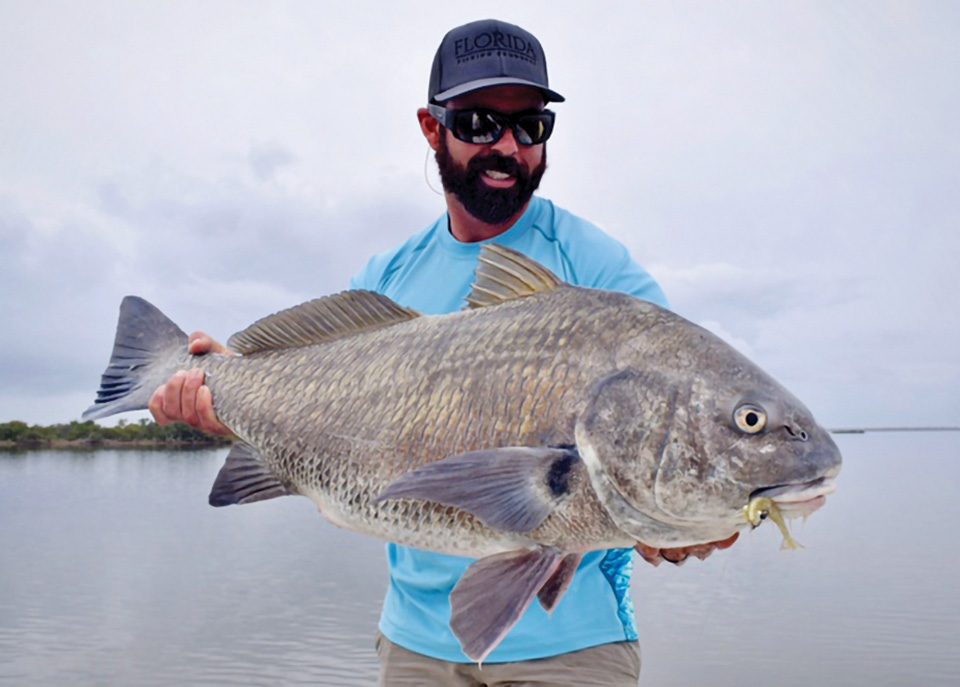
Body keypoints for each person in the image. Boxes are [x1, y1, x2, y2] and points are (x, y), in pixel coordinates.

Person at [150, 19, 737, 686]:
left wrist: (689, 517)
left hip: (575, 649)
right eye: (481, 122)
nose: (509, 147)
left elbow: (676, 437)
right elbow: (305, 401)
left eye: (532, 127)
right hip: (415, 647)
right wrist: (224, 392)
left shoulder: (604, 274)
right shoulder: (387, 278)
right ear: (433, 129)